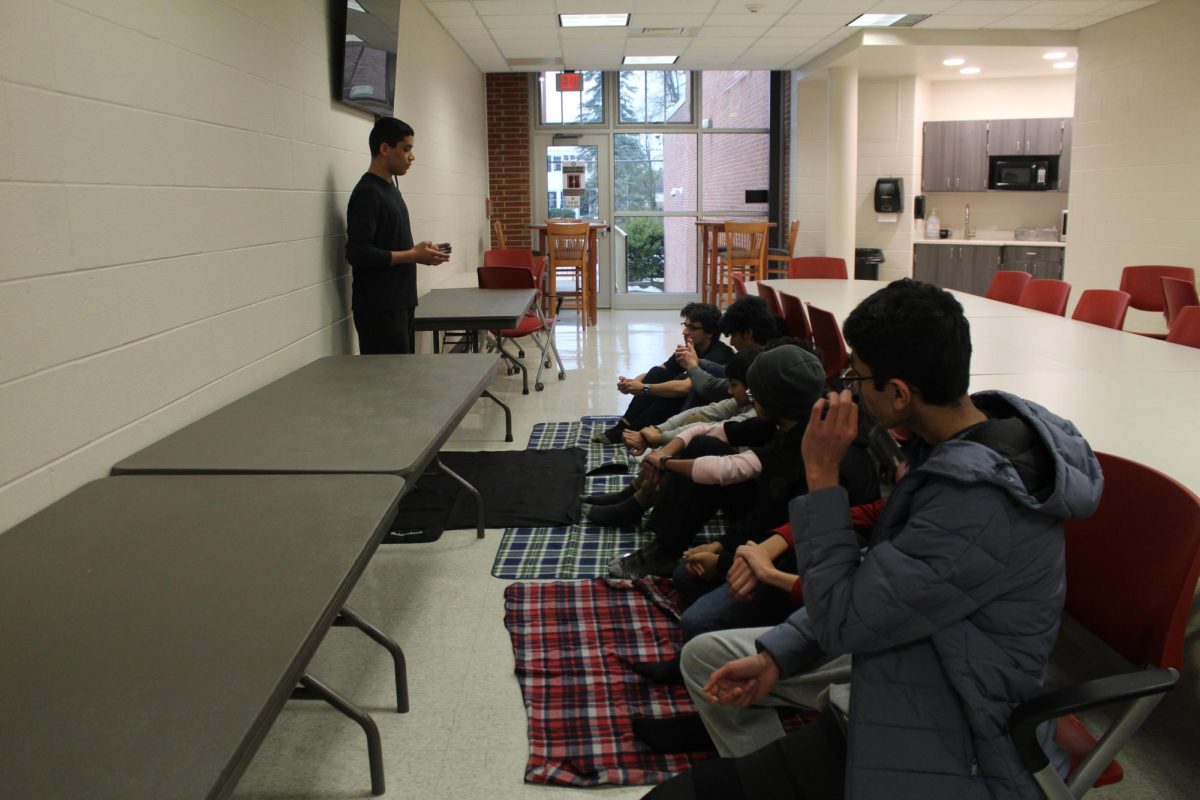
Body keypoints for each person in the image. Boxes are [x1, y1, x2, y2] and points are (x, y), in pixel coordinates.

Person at [648, 279, 1104, 800]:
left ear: (900, 393)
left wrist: (821, 474)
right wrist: (778, 654)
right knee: (710, 659)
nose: (850, 385)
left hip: (958, 731)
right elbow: (882, 581)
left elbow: (845, 617)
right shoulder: (964, 444)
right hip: (908, 663)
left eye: (858, 374)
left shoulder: (976, 502)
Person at [607, 343, 878, 580]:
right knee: (702, 445)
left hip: (797, 552)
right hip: (778, 520)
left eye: (752, 394)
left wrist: (722, 554)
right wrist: (663, 453)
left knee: (692, 593)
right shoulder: (787, 419)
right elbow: (708, 429)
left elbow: (746, 491)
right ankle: (662, 546)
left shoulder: (812, 446)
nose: (749, 399)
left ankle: (662, 543)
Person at [583, 347, 760, 528]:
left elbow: (708, 421)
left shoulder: (756, 412)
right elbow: (703, 412)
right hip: (731, 475)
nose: (729, 391)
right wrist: (657, 431)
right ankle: (635, 494)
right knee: (665, 383)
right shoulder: (749, 396)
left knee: (696, 442)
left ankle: (639, 507)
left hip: (745, 498)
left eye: (692, 327)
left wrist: (660, 440)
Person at [345, 116, 450, 355]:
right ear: (384, 148)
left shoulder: (391, 188)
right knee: (389, 387)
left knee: (403, 381)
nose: (411, 157)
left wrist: (422, 252)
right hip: (379, 308)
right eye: (406, 149)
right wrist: (412, 254)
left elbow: (389, 243)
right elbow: (358, 253)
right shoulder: (368, 193)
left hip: (401, 303)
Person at [594, 303, 733, 444]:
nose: (685, 332)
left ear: (709, 332)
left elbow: (684, 388)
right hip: (689, 398)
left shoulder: (719, 355)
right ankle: (624, 426)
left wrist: (643, 388)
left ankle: (635, 430)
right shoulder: (691, 348)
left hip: (703, 405)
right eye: (684, 325)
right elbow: (662, 369)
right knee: (657, 373)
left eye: (692, 328)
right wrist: (632, 383)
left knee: (677, 384)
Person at [672, 295, 782, 407]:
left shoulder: (759, 366)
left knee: (697, 386)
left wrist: (692, 366)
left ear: (749, 333)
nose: (731, 343)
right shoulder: (764, 351)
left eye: (734, 335)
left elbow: (710, 388)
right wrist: (698, 361)